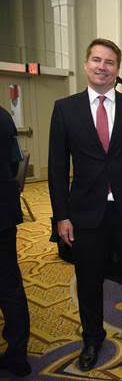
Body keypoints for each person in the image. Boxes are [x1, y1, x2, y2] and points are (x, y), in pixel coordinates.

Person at [48, 38, 122, 371]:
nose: (102, 66)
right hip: (85, 214)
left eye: (109, 62)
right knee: (89, 281)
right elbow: (57, 168)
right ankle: (92, 339)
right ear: (86, 64)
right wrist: (61, 216)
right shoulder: (64, 109)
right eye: (96, 60)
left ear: (117, 69)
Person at [0, 106, 31, 378]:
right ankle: (18, 354)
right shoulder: (3, 116)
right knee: (10, 286)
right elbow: (13, 164)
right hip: (3, 213)